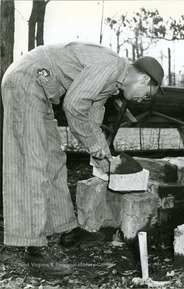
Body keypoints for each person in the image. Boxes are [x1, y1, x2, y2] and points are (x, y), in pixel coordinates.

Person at [1, 41, 165, 276]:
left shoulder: (112, 83)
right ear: (144, 80)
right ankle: (33, 251)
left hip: (39, 89)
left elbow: (90, 120)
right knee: (33, 164)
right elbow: (74, 106)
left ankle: (69, 231)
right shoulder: (109, 66)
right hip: (25, 82)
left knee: (55, 160)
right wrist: (99, 151)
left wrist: (104, 159)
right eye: (146, 96)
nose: (141, 100)